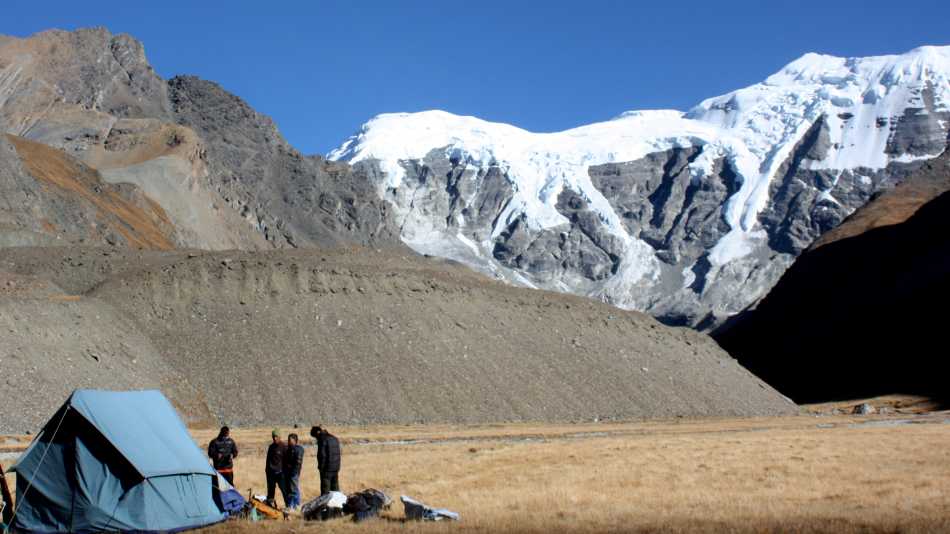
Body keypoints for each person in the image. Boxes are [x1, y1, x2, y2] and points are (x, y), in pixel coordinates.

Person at [310, 426, 341, 495]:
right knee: (335, 490)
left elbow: (322, 456)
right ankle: (338, 504)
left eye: (315, 436)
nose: (316, 438)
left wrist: (321, 468)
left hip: (326, 470)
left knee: (325, 492)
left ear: (317, 433)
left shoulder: (322, 439)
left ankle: (326, 505)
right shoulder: (334, 438)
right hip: (336, 468)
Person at [265, 429, 287, 508]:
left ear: (280, 437)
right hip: (271, 473)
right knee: (270, 491)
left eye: (276, 436)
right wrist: (267, 471)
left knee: (284, 491)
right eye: (273, 437)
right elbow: (268, 460)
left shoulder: (284, 447)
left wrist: (285, 472)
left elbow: (286, 461)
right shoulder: (271, 447)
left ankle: (288, 506)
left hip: (281, 474)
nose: (275, 438)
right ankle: (269, 507)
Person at [283, 433, 305, 509]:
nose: (289, 441)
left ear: (295, 441)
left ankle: (296, 505)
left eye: (290, 440)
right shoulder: (288, 449)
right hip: (287, 472)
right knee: (290, 490)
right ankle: (292, 505)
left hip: (293, 473)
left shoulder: (298, 449)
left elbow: (298, 463)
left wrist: (294, 472)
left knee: (294, 490)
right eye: (288, 440)